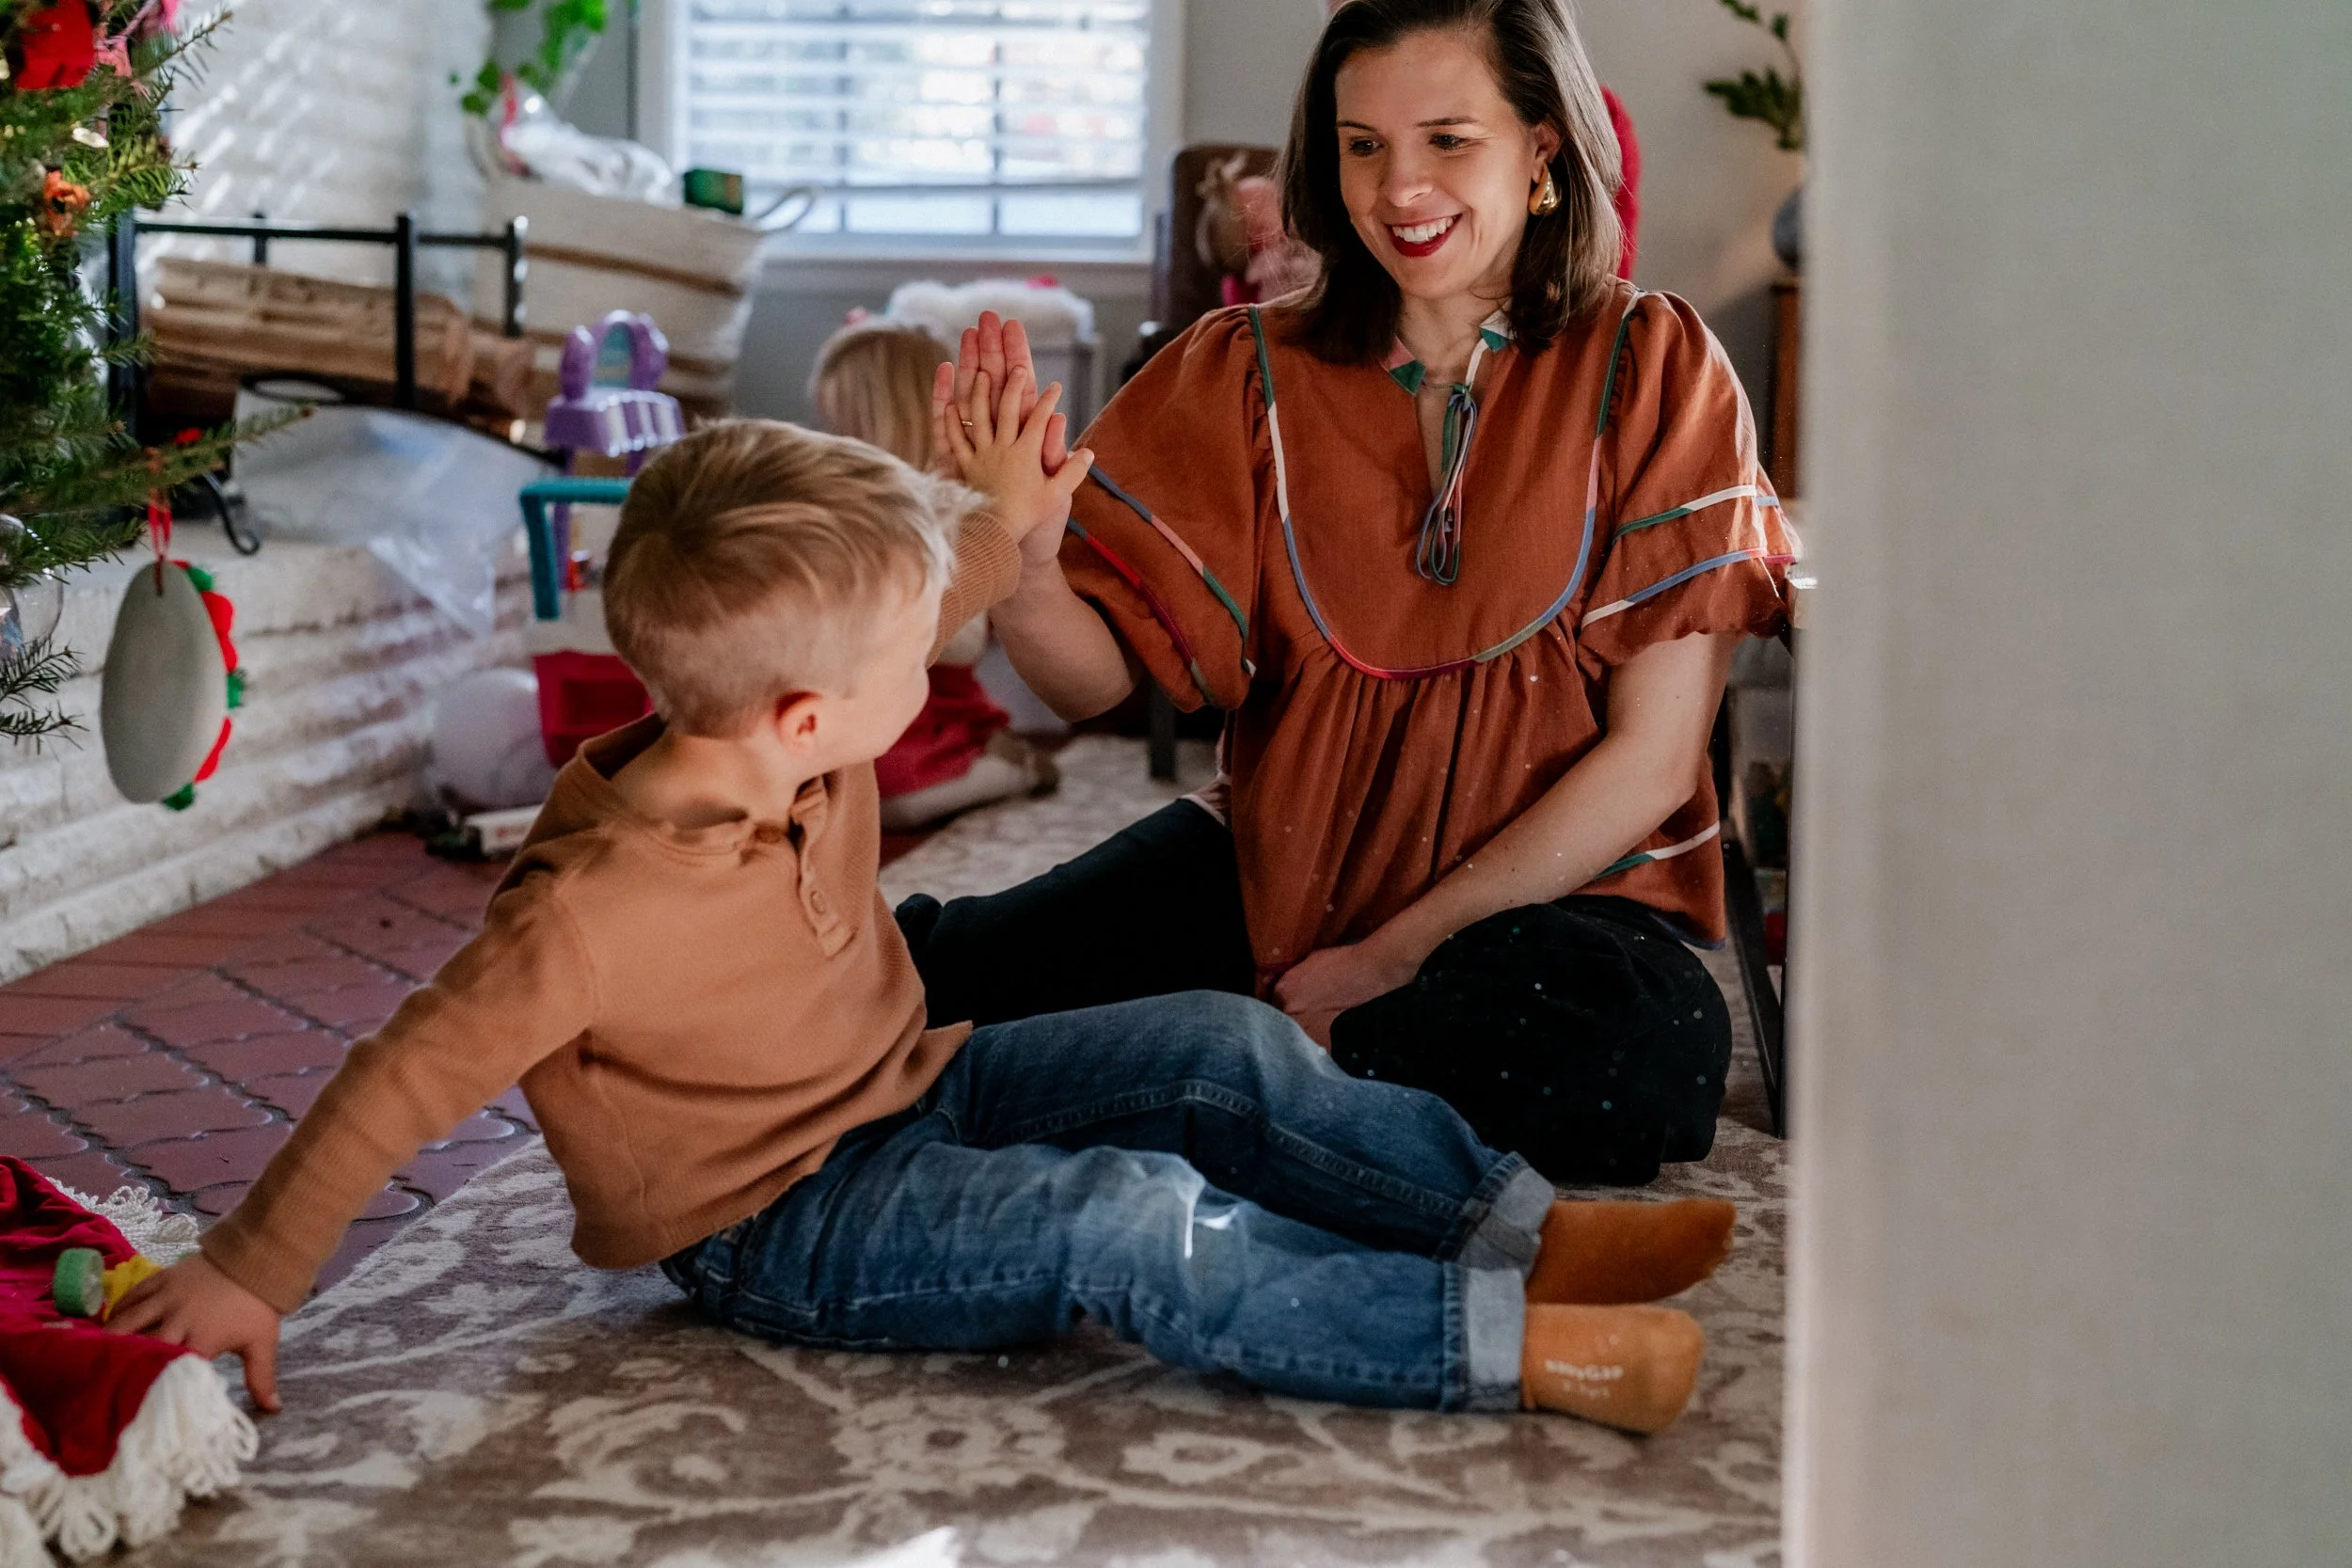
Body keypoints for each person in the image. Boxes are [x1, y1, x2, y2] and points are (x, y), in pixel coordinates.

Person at [103, 393, 1738, 1433]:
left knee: (1222, 1049)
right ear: (811, 717)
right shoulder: (590, 911)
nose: (945, 675)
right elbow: (399, 1073)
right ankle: (1504, 1344)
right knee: (1116, 1213)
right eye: (912, 673)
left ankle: (1521, 1226)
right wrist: (250, 1267)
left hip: (908, 1076)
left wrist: (1003, 517)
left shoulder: (790, 727)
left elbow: (931, 591)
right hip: (778, 1226)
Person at [899, 0, 1799, 1185]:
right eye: (1361, 144)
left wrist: (1388, 958)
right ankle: (1250, 1076)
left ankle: (1214, 1065)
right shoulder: (1235, 368)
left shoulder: (1660, 364)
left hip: (1555, 906)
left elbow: (1650, 759)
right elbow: (1089, 685)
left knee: (1642, 1060)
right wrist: (1022, 554)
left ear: (1541, 144)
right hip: (1277, 866)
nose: (1398, 187)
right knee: (930, 983)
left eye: (1446, 139)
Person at [810, 316, 1059, 830]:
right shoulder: (837, 503)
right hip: (844, 696)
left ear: (883, 424)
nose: (827, 441)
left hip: (923, 704)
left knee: (887, 799)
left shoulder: (945, 511)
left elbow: (965, 641)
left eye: (841, 426)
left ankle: (1008, 770)